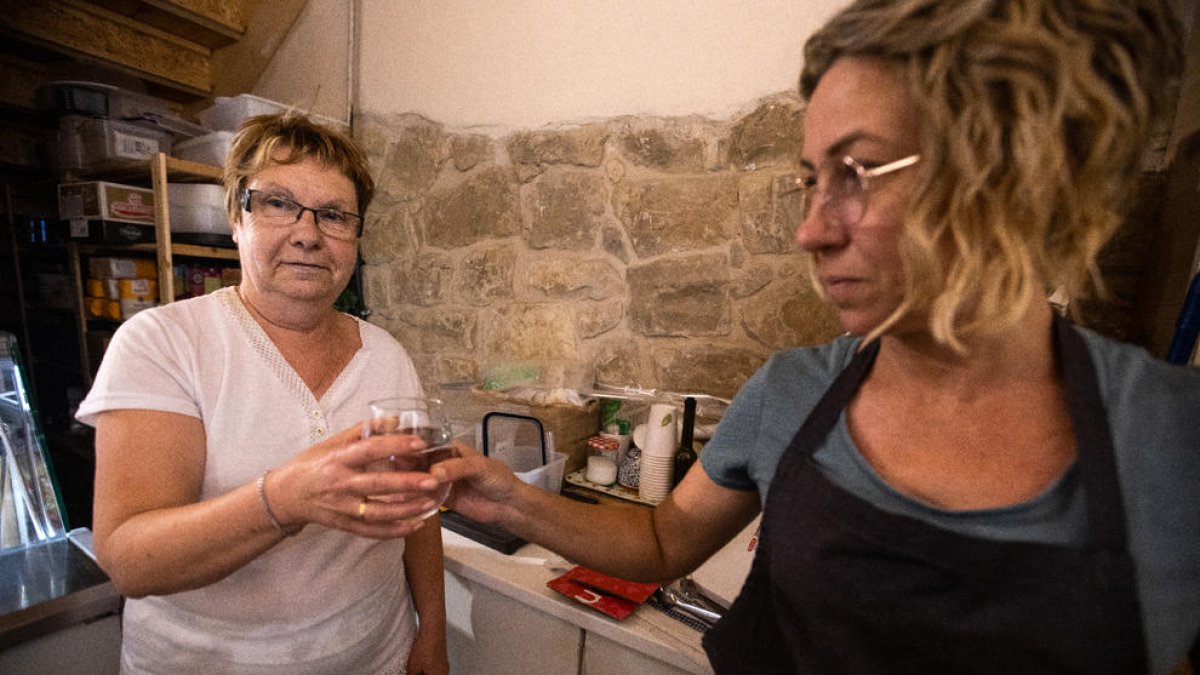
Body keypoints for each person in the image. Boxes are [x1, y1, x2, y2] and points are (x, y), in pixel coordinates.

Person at [433, 0, 1199, 673]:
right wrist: (511, 502)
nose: (809, 231)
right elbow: (666, 542)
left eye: (857, 173)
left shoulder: (1172, 436)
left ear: (1007, 171)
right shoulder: (793, 388)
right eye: (809, 180)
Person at [76, 112, 449, 675]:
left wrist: (433, 631)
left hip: (377, 656)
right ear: (236, 218)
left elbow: (418, 513)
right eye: (277, 203)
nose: (307, 233)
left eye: (334, 215)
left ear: (354, 236)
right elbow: (131, 560)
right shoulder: (163, 344)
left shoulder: (387, 354)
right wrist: (283, 499)